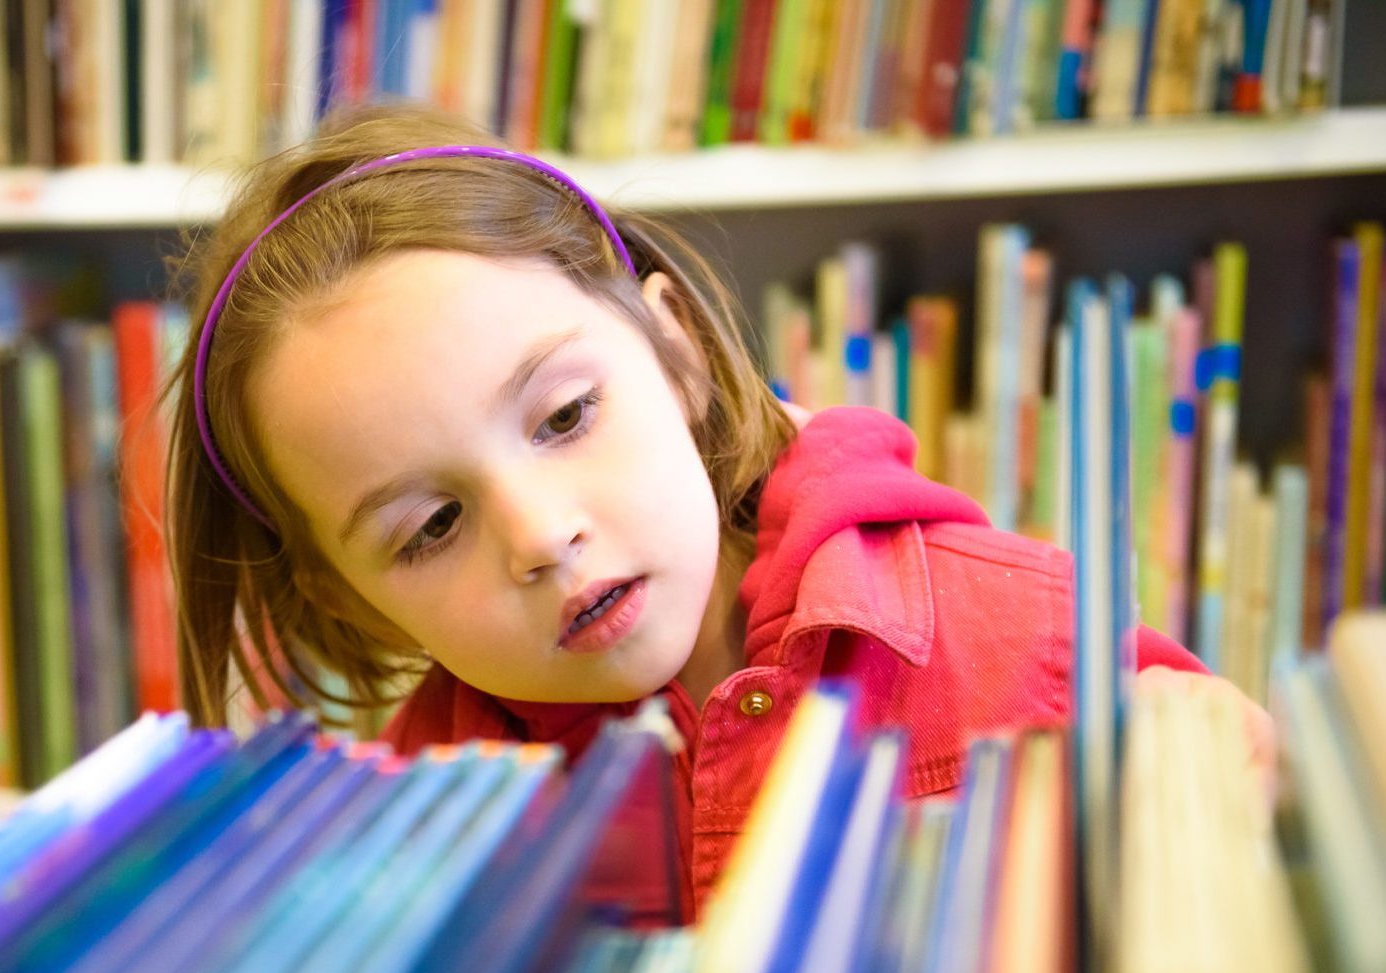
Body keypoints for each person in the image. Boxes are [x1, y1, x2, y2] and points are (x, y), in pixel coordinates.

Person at [166, 103, 1260, 910]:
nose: (543, 536)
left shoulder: (1030, 640)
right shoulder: (411, 826)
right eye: (432, 528)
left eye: (562, 418)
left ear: (676, 350)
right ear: (350, 601)